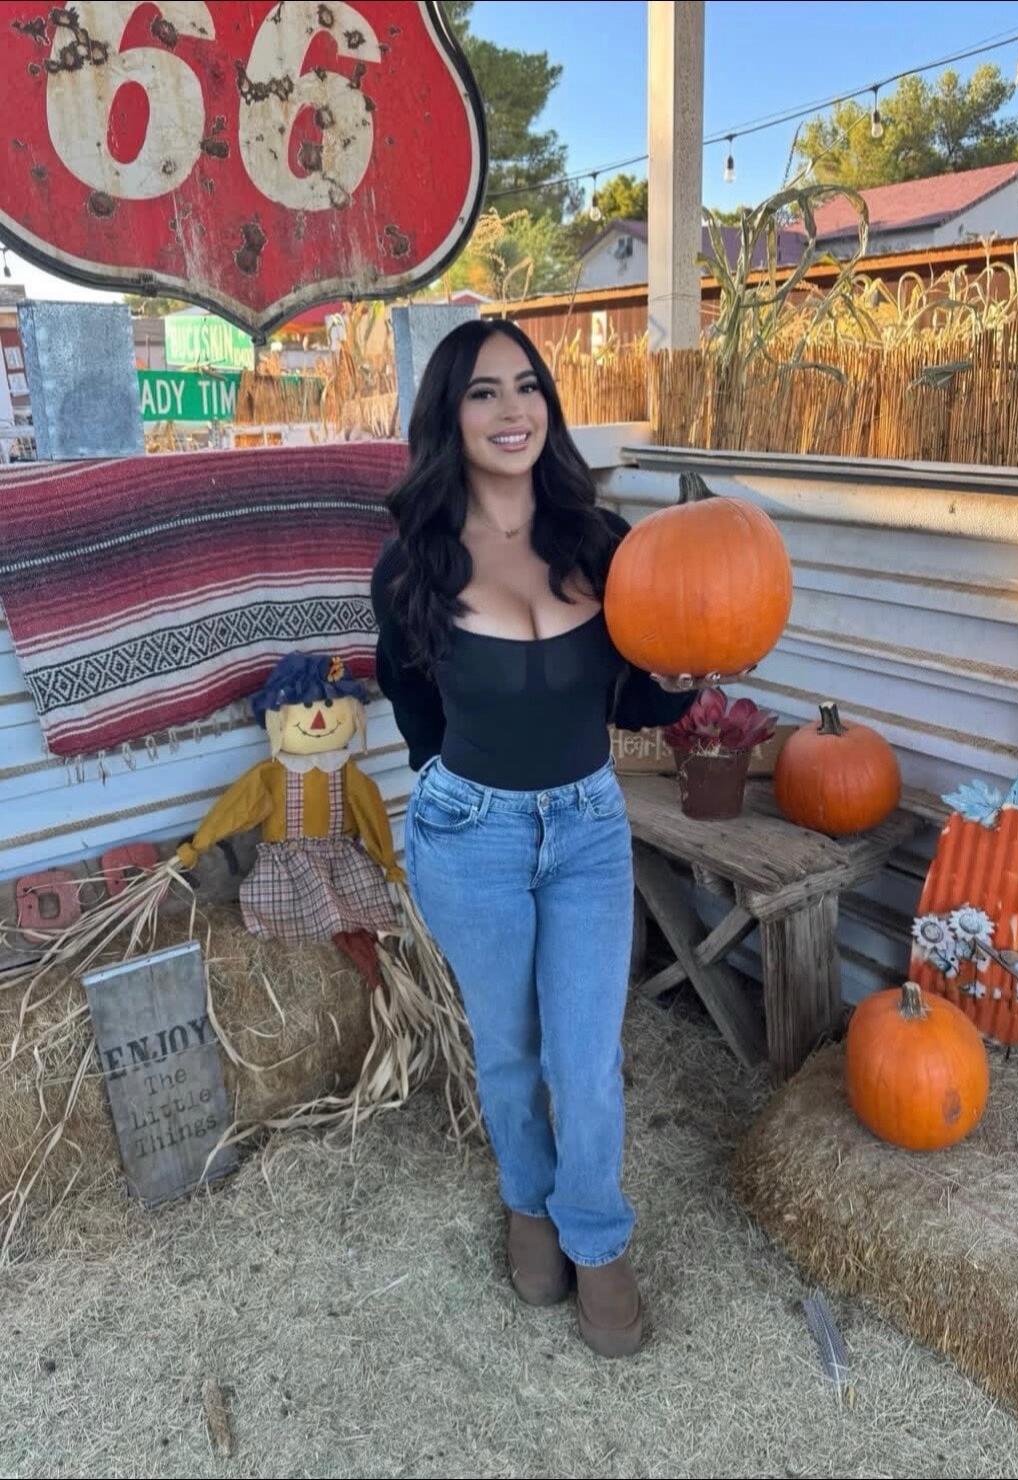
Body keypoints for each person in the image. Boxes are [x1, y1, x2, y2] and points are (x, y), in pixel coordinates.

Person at [371, 319, 705, 1360]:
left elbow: (639, 701)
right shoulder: (413, 562)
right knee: (510, 1048)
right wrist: (452, 781)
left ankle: (596, 1236)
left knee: (588, 1052)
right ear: (448, 416)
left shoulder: (601, 545)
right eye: (483, 393)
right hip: (467, 831)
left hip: (589, 828)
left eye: (528, 387)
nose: (512, 410)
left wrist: (683, 681)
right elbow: (407, 696)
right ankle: (527, 1200)